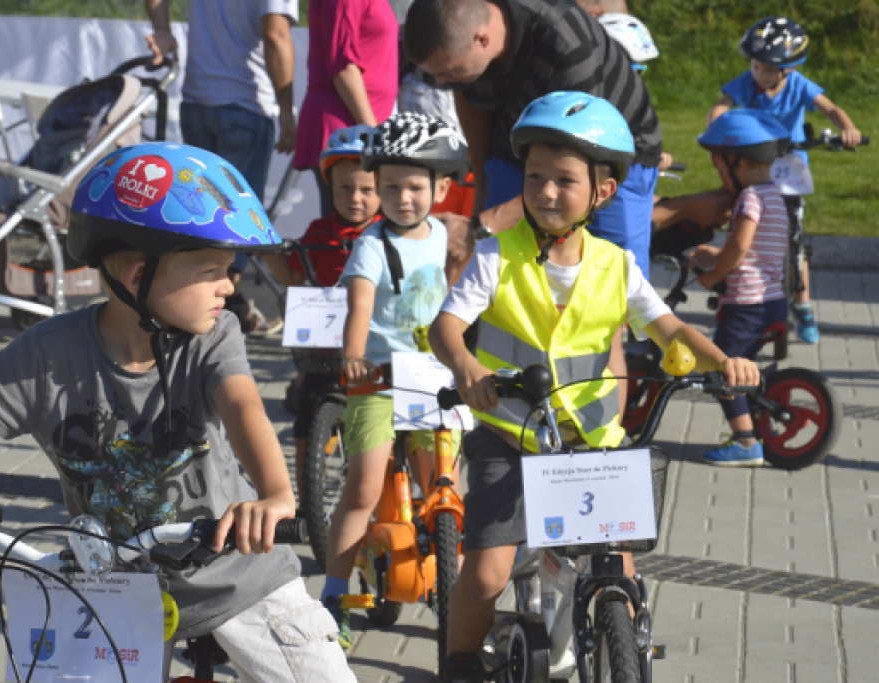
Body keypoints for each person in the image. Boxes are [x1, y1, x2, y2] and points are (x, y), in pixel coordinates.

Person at [0, 143, 356, 683]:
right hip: (116, 593)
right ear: (138, 276)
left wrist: (274, 496)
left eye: (229, 269)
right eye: (212, 269)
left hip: (240, 577)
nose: (229, 285)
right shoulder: (47, 355)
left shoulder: (213, 335)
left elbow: (243, 406)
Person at [426, 92, 760, 681]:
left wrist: (723, 362)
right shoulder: (495, 256)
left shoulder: (616, 266)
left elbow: (671, 329)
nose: (546, 191)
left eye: (565, 180)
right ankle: (458, 662)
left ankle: (621, 645)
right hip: (511, 436)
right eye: (535, 176)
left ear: (602, 191)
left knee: (619, 571)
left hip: (593, 441)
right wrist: (466, 367)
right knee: (485, 575)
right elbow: (446, 326)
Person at [319, 112, 470, 649]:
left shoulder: (443, 235)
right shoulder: (370, 245)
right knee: (362, 488)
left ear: (441, 188)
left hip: (431, 378)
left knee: (444, 485)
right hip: (379, 379)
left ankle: (455, 591)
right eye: (390, 188)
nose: (402, 199)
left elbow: (451, 298)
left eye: (415, 187)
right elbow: (360, 306)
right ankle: (333, 596)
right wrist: (354, 357)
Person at [402, 0, 663, 279]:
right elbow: (470, 99)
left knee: (615, 275)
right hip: (517, 143)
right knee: (499, 268)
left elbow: (575, 156)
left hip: (608, 151)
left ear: (482, 39)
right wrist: (482, 189)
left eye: (449, 72)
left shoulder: (566, 42)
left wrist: (481, 226)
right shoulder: (464, 40)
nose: (442, 82)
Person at [145, 0, 298, 334]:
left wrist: (162, 29)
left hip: (197, 102)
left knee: (201, 217)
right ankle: (218, 322)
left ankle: (203, 309)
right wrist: (287, 111)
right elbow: (276, 35)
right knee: (237, 222)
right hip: (244, 105)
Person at [707, 16, 862, 345]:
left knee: (795, 238)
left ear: (787, 69)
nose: (759, 74)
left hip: (789, 167)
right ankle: (732, 304)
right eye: (755, 66)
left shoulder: (799, 85)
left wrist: (847, 128)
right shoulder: (746, 83)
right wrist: (715, 129)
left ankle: (803, 304)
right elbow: (721, 106)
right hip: (753, 165)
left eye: (767, 69)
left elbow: (830, 109)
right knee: (742, 229)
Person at [263, 124, 381, 502]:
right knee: (307, 418)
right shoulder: (319, 232)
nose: (355, 198)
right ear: (330, 188)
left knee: (385, 422)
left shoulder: (388, 235)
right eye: (344, 188)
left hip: (375, 347)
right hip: (325, 347)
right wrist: (265, 246)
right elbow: (294, 276)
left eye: (367, 190)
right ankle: (308, 503)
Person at [689, 110, 793, 466]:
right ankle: (750, 421)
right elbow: (757, 251)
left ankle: (746, 442)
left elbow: (741, 246)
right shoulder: (775, 195)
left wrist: (713, 275)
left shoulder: (749, 197)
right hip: (772, 300)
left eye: (721, 170)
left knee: (722, 367)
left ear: (740, 163)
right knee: (739, 363)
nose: (721, 179)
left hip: (746, 304)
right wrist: (711, 254)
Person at [293, 0, 399, 218]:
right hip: (347, 130)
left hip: (361, 128)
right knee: (346, 229)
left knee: (367, 227)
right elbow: (342, 67)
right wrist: (373, 134)